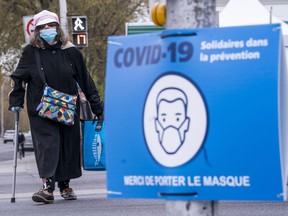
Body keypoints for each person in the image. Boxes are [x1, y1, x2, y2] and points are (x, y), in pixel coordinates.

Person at [8, 10, 103, 204]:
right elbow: (18, 78)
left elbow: (86, 80)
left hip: (67, 108)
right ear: (36, 31)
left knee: (68, 146)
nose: (47, 30)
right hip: (41, 109)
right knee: (48, 146)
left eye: (51, 25)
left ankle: (65, 185)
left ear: (58, 28)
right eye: (42, 27)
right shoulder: (30, 52)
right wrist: (15, 102)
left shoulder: (71, 52)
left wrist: (97, 107)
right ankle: (47, 188)